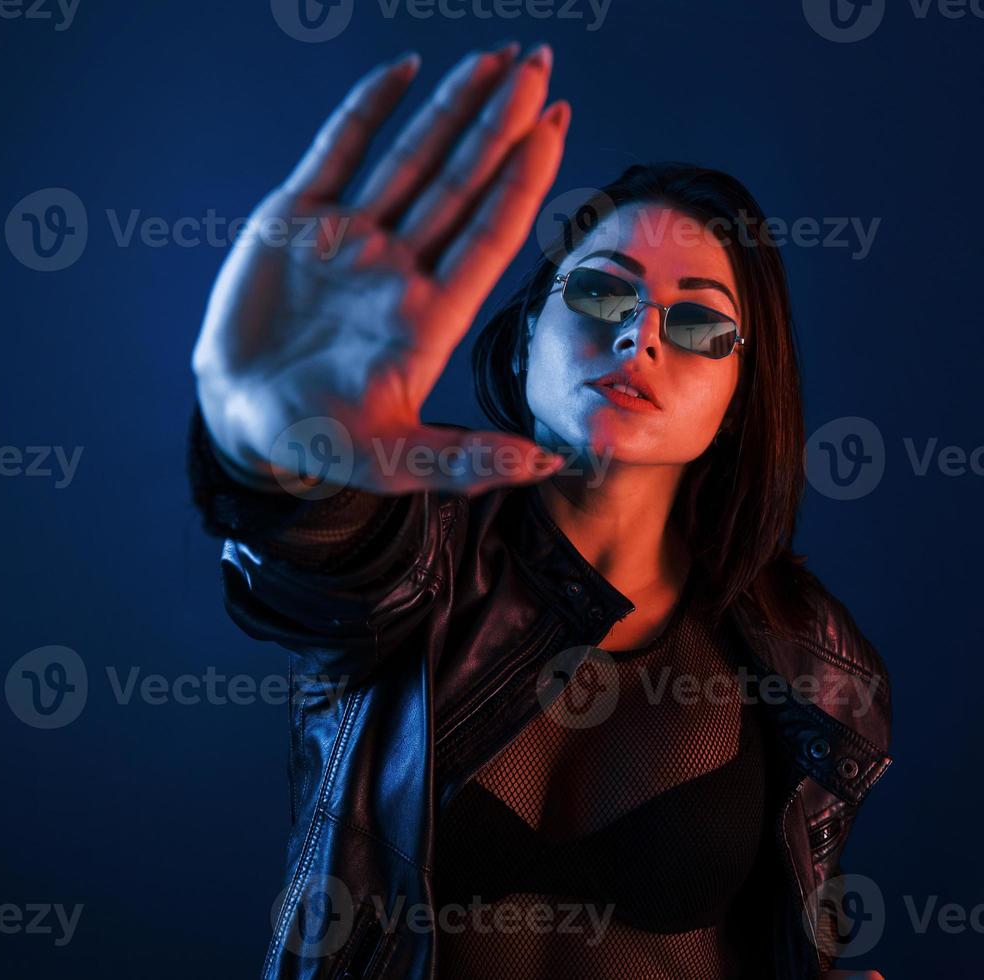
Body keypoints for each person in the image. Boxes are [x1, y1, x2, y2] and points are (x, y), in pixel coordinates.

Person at [188, 42, 891, 980]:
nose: (640, 334)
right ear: (525, 341)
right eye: (602, 289)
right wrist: (273, 447)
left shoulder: (810, 659)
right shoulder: (416, 546)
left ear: (737, 401)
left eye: (699, 324)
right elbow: (314, 557)